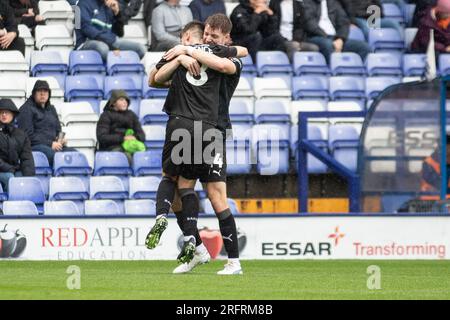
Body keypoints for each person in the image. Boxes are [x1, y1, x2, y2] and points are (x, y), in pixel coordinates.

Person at [147, 16, 246, 275]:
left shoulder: (228, 59)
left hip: (215, 131)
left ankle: (234, 261)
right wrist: (181, 57)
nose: (209, 39)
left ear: (227, 39)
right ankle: (198, 249)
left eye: (214, 37)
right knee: (181, 190)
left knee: (216, 197)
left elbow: (229, 62)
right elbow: (154, 79)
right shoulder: (195, 57)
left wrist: (187, 50)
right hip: (194, 127)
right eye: (207, 35)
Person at [16, 80, 76, 166]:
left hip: (53, 146)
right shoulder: (26, 109)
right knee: (56, 157)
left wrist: (60, 139)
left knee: (75, 154)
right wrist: (50, 144)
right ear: (34, 94)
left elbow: (58, 129)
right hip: (35, 147)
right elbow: (27, 136)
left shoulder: (51, 109)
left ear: (49, 94)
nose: (42, 94)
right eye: (39, 91)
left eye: (45, 91)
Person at [75, 0, 146, 61]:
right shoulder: (82, 3)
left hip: (110, 42)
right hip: (86, 42)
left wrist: (117, 13)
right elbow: (88, 30)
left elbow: (120, 33)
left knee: (140, 49)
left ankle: (119, 70)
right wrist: (112, 47)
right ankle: (117, 67)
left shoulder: (109, 5)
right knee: (103, 48)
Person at [302, 0, 371, 62]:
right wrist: (327, 37)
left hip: (335, 38)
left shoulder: (333, 3)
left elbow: (343, 22)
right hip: (316, 37)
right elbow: (310, 24)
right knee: (328, 44)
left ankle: (355, 73)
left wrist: (340, 39)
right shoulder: (307, 2)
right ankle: (334, 72)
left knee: (364, 47)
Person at [96, 90, 146, 163]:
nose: (125, 102)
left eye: (126, 100)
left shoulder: (131, 115)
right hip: (112, 148)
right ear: (113, 103)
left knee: (142, 157)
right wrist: (123, 138)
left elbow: (141, 135)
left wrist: (135, 137)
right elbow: (102, 137)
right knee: (125, 157)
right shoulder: (105, 116)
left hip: (131, 146)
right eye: (121, 100)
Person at [0, 99, 35, 193]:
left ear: (13, 114)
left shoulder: (21, 135)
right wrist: (10, 169)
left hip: (13, 170)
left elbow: (27, 158)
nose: (3, 114)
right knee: (10, 178)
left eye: (6, 112)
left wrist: (29, 177)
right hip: (5, 171)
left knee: (23, 179)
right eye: (1, 112)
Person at [338, 0, 403, 39]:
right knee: (367, 29)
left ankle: (404, 46)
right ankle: (371, 51)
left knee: (393, 23)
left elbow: (379, 6)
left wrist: (377, 15)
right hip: (359, 18)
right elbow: (349, 9)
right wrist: (352, 22)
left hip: (373, 18)